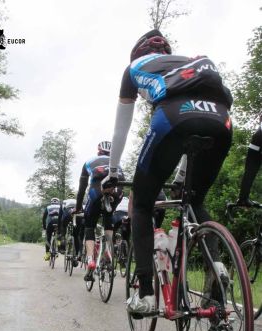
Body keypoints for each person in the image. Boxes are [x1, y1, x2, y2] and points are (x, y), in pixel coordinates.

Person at [102, 29, 233, 313]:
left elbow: (121, 129)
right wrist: (181, 177)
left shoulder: (134, 68)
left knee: (141, 203)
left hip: (174, 117)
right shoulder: (189, 64)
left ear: (138, 53)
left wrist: (113, 171)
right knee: (195, 200)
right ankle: (219, 266)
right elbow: (199, 122)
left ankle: (146, 295)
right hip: (221, 120)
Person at [74, 141, 124, 279]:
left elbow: (81, 189)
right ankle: (108, 250)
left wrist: (78, 207)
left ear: (98, 152)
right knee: (108, 218)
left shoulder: (89, 162)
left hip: (97, 191)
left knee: (89, 226)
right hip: (117, 192)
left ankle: (90, 261)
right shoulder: (117, 163)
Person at [237, 116, 262, 206]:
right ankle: (242, 199)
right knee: (250, 173)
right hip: (255, 149)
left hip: (256, 148)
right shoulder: (259, 133)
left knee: (250, 174)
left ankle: (243, 198)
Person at [58, 198, 85, 262]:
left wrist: (60, 230)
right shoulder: (79, 201)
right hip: (78, 215)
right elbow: (83, 212)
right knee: (76, 235)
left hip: (67, 213)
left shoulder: (64, 202)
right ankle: (77, 254)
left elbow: (60, 216)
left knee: (63, 225)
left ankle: (63, 239)